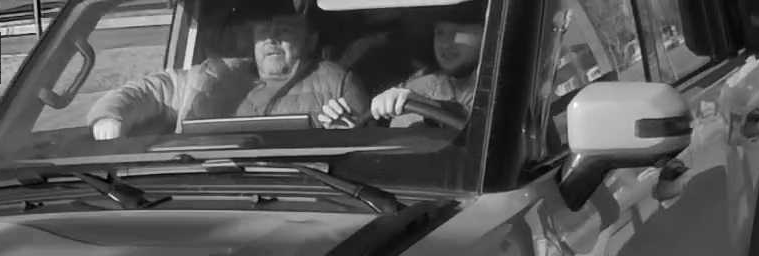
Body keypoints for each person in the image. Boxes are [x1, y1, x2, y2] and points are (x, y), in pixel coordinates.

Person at [89, 0, 366, 138]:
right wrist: (109, 117)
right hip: (212, 193)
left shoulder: (337, 82)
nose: (271, 39)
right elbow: (148, 91)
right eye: (263, 32)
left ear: (311, 40)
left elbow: (369, 146)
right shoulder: (210, 76)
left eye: (284, 30)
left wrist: (346, 133)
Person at [316, 1, 483, 129]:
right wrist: (352, 128)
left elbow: (480, 122)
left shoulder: (493, 87)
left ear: (486, 33)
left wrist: (433, 107)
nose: (445, 44)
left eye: (457, 32)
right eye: (440, 32)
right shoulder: (419, 86)